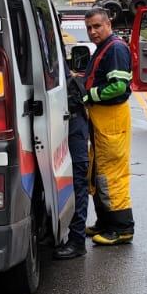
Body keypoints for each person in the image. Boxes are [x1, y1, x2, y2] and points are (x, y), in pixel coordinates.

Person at [80, 7, 134, 245]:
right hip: (102, 121)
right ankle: (105, 222)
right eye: (89, 28)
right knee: (98, 172)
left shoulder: (116, 49)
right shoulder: (104, 48)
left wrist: (88, 95)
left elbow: (118, 87)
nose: (93, 32)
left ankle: (122, 229)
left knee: (111, 175)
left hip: (112, 120)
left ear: (108, 25)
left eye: (97, 26)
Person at [53, 50, 90, 260]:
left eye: (96, 26)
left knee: (77, 180)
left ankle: (77, 241)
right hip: (67, 122)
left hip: (73, 122)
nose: (92, 32)